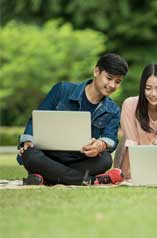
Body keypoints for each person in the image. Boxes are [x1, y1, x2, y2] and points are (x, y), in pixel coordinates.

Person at [17, 53, 128, 186]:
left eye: (118, 82)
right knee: (29, 154)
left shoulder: (113, 109)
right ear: (96, 71)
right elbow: (36, 120)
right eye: (109, 78)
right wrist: (28, 141)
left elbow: (110, 138)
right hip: (48, 155)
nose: (112, 85)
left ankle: (46, 177)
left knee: (105, 160)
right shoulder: (62, 89)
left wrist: (100, 145)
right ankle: (91, 180)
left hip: (81, 159)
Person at [113, 64, 157, 179]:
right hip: (129, 150)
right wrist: (126, 173)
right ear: (142, 87)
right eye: (148, 88)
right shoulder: (130, 104)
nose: (153, 94)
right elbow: (131, 142)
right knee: (125, 175)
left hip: (155, 152)